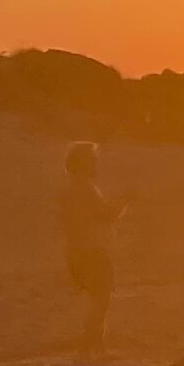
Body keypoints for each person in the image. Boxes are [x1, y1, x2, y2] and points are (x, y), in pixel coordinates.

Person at [59, 144, 120, 355]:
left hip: (77, 252)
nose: (96, 164)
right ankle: (91, 345)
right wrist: (126, 200)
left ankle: (94, 345)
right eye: (92, 160)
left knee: (97, 300)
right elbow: (107, 215)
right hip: (93, 252)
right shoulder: (85, 189)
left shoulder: (70, 189)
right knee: (101, 301)